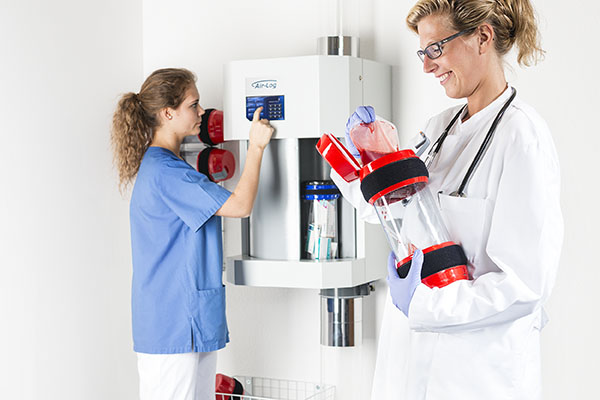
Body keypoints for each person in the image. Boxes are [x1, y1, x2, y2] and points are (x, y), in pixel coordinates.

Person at [333, 1, 563, 399]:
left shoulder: (522, 137)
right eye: (422, 53)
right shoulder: (438, 128)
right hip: (411, 359)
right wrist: (364, 163)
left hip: (475, 375)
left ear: (482, 37)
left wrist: (424, 304)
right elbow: (391, 211)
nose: (427, 66)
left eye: (436, 48)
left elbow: (523, 286)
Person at [110, 68, 274, 399]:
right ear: (167, 113)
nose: (201, 112)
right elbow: (240, 205)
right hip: (172, 323)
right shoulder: (165, 171)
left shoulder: (169, 166)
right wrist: (256, 147)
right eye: (193, 105)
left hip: (189, 319)